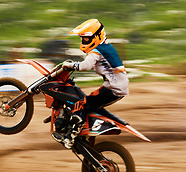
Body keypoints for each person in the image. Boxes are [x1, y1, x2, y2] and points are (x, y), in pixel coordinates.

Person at [52, 19, 129, 149]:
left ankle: (69, 137)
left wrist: (69, 65)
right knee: (90, 104)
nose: (84, 42)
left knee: (81, 104)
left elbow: (85, 66)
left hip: (113, 88)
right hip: (117, 87)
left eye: (86, 39)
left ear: (97, 37)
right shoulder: (106, 47)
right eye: (83, 39)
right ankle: (84, 133)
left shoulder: (97, 50)